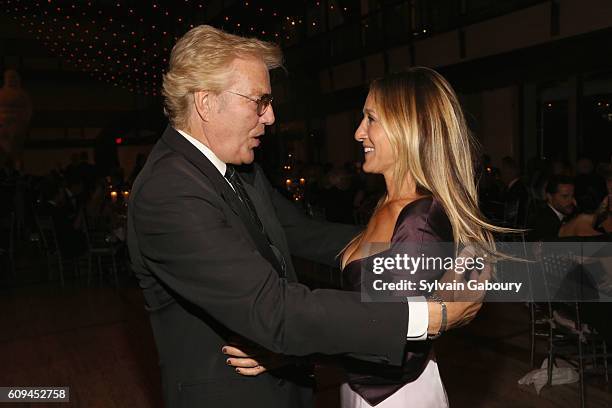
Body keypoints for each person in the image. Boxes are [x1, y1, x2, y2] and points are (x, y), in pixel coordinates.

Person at [127, 25, 485, 408]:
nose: (270, 117)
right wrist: (424, 318)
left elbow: (300, 232)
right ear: (206, 102)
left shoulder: (233, 165)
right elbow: (275, 311)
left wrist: (441, 250)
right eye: (259, 101)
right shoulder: (170, 192)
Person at [229, 68, 505, 407]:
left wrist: (290, 353)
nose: (359, 133)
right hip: (363, 385)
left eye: (370, 118)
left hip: (393, 395)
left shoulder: (419, 220)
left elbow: (387, 338)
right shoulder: (388, 204)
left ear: (409, 129)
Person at [529, 175, 575, 241]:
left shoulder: (572, 214)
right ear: (550, 196)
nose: (571, 200)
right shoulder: (542, 222)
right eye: (565, 196)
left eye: (572, 196)